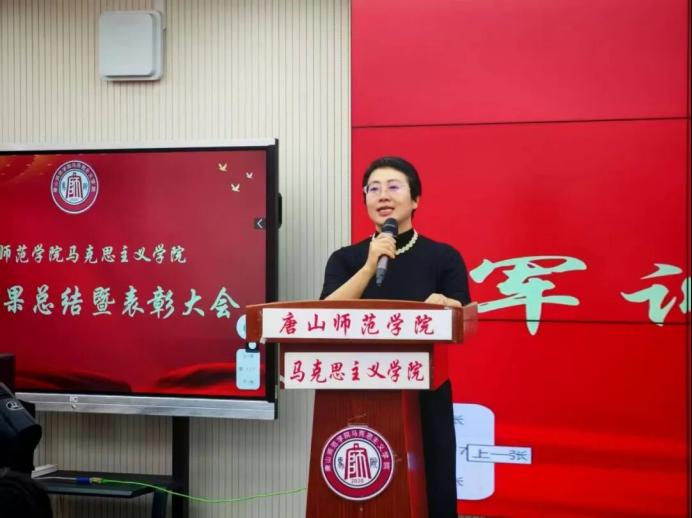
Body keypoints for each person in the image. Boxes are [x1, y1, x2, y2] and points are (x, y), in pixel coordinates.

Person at [320, 155, 470, 517]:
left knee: (429, 490)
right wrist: (370, 266)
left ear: (415, 199)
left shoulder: (443, 257)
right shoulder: (345, 259)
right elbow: (324, 315)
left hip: (424, 396)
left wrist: (447, 305)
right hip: (357, 394)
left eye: (393, 187)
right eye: (373, 189)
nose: (382, 195)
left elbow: (463, 317)